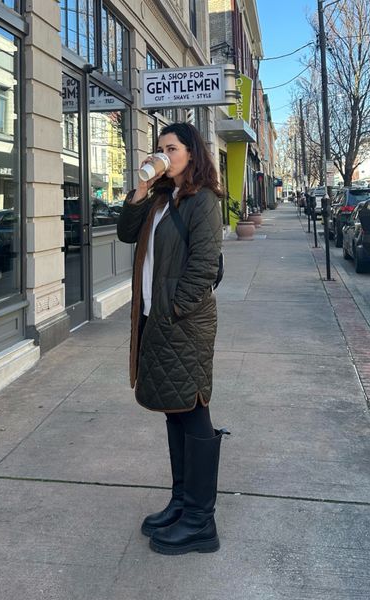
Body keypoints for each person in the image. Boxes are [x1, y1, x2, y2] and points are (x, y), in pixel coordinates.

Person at [117, 122, 229, 556]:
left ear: (191, 153)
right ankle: (182, 503)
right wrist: (142, 187)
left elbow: (203, 266)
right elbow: (127, 232)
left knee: (194, 410)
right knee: (174, 410)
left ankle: (202, 521)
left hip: (184, 322)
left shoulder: (202, 201)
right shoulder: (162, 198)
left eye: (172, 148)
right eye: (159, 148)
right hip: (155, 320)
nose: (163, 153)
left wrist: (174, 309)